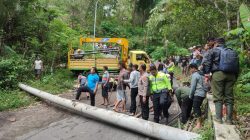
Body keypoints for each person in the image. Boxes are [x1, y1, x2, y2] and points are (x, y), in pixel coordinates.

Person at [202, 38, 239, 125]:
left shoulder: (213, 50)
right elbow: (237, 65)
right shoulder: (232, 51)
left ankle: (219, 118)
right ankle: (229, 120)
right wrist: (235, 76)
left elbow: (207, 62)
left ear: (216, 43)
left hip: (218, 74)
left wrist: (207, 73)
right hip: (231, 75)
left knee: (218, 96)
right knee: (229, 97)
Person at [189, 63, 207, 129]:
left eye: (190, 69)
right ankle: (199, 120)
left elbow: (193, 87)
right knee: (197, 107)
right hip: (203, 93)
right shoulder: (201, 73)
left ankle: (198, 124)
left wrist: (190, 95)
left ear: (193, 68)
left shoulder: (195, 75)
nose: (190, 71)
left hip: (198, 93)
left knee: (196, 107)